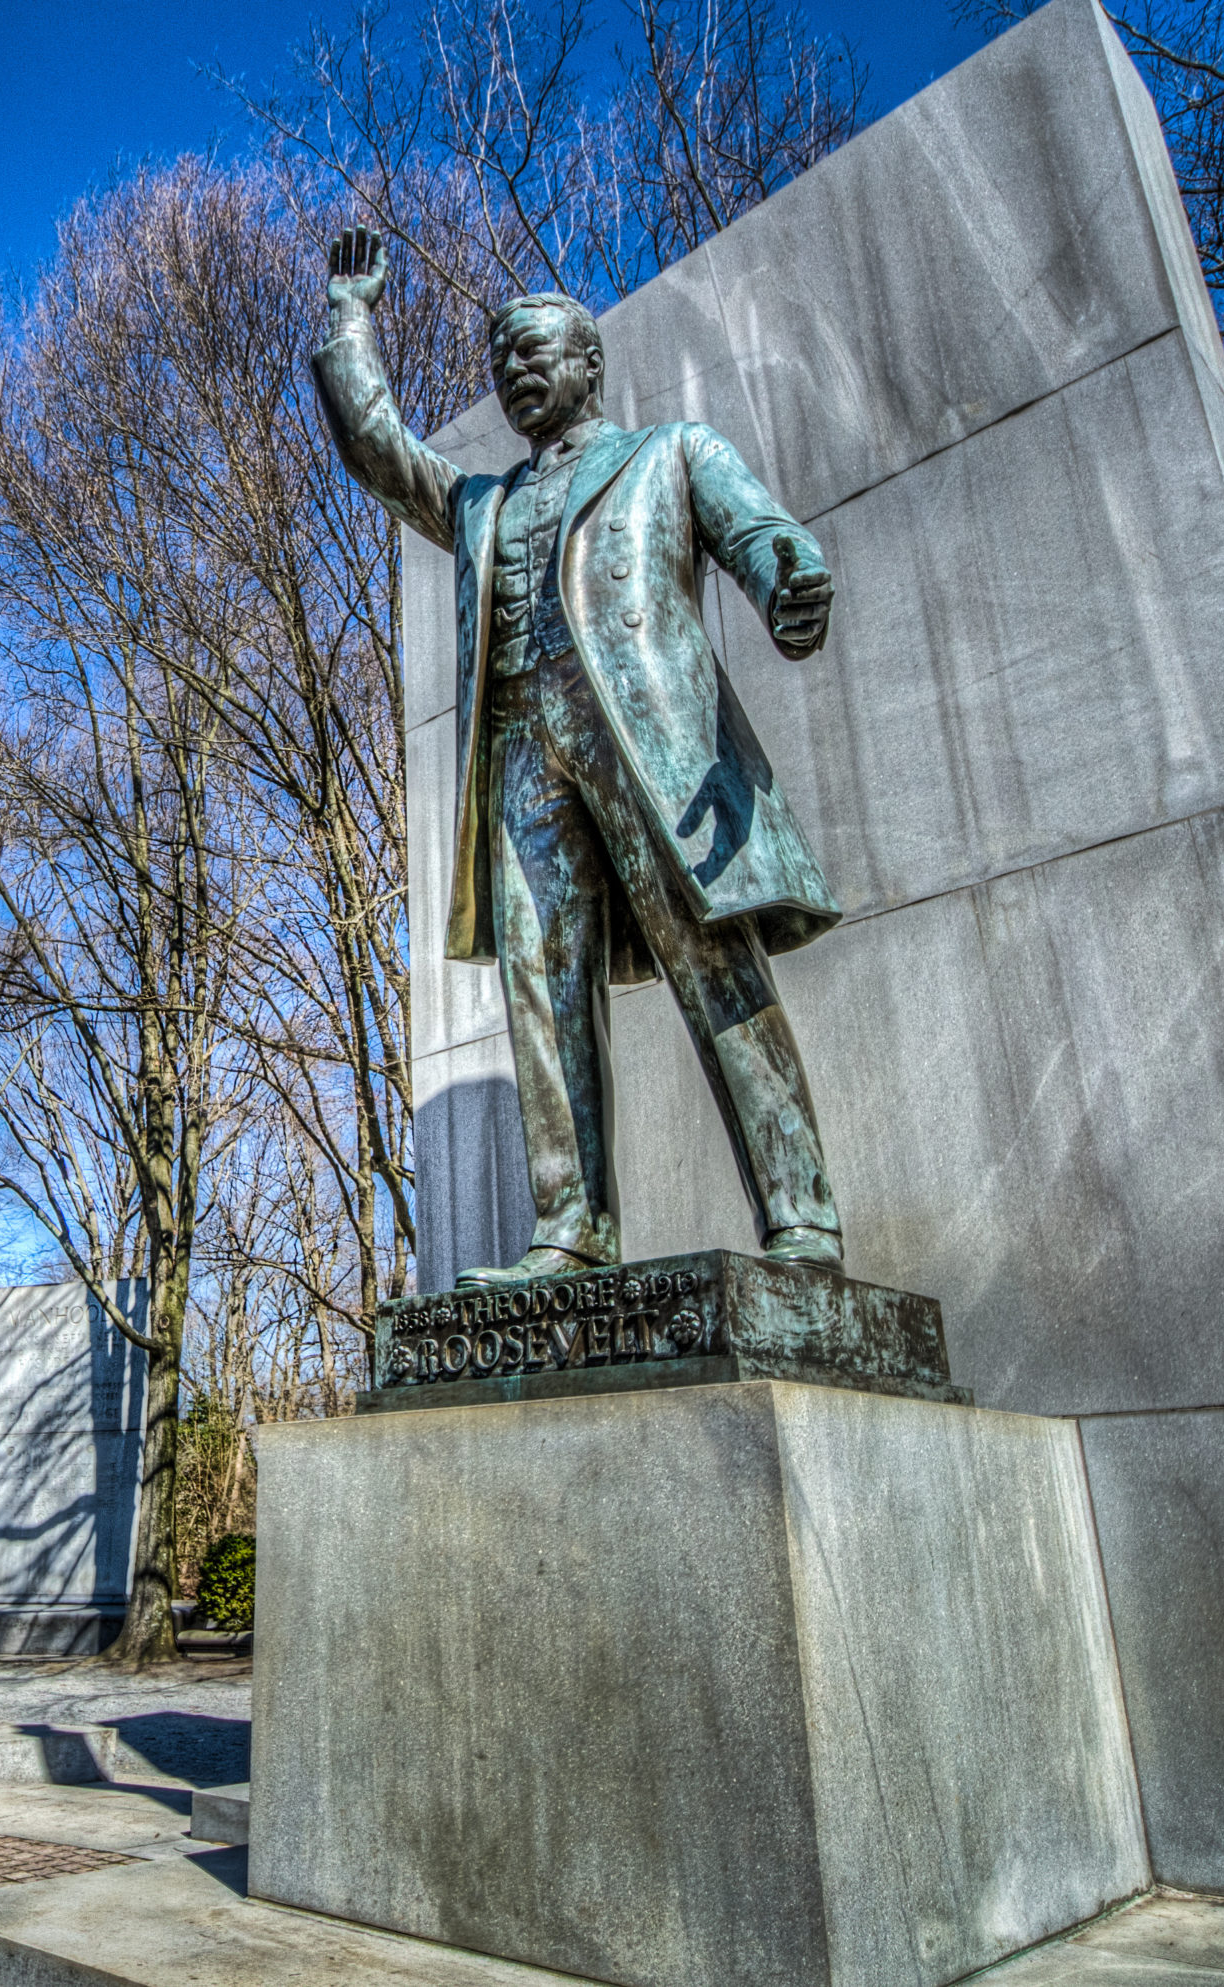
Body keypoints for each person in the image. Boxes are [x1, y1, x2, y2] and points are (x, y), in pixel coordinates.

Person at [312, 226, 847, 1287]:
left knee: (712, 965)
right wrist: (352, 317)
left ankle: (803, 1217)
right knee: (539, 983)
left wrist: (793, 583)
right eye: (500, 356)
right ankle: (573, 1228)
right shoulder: (480, 503)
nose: (513, 370)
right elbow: (381, 451)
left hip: (652, 752)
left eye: (533, 349)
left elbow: (765, 543)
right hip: (520, 755)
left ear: (588, 363)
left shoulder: (671, 453)